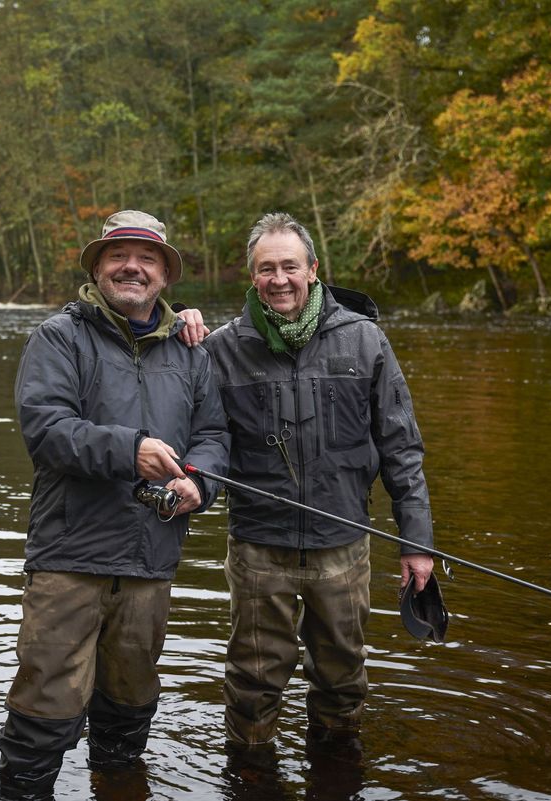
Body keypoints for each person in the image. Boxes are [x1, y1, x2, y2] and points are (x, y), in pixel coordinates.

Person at [0, 209, 230, 801]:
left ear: (164, 275)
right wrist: (131, 450)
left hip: (152, 557)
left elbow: (214, 435)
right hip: (69, 557)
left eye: (147, 258)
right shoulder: (59, 336)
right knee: (43, 711)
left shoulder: (192, 351)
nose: (133, 267)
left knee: (129, 710)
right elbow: (46, 430)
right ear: (98, 268)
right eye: (118, 256)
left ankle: (119, 785)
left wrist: (200, 483)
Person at [201, 211, 435, 750]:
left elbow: (402, 449)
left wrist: (416, 544)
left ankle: (336, 770)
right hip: (259, 547)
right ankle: (252, 775)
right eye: (266, 269)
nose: (278, 280)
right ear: (252, 277)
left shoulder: (365, 341)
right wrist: (179, 321)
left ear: (313, 269)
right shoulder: (219, 349)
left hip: (344, 546)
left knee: (342, 678)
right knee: (251, 684)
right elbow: (201, 440)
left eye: (289, 266)